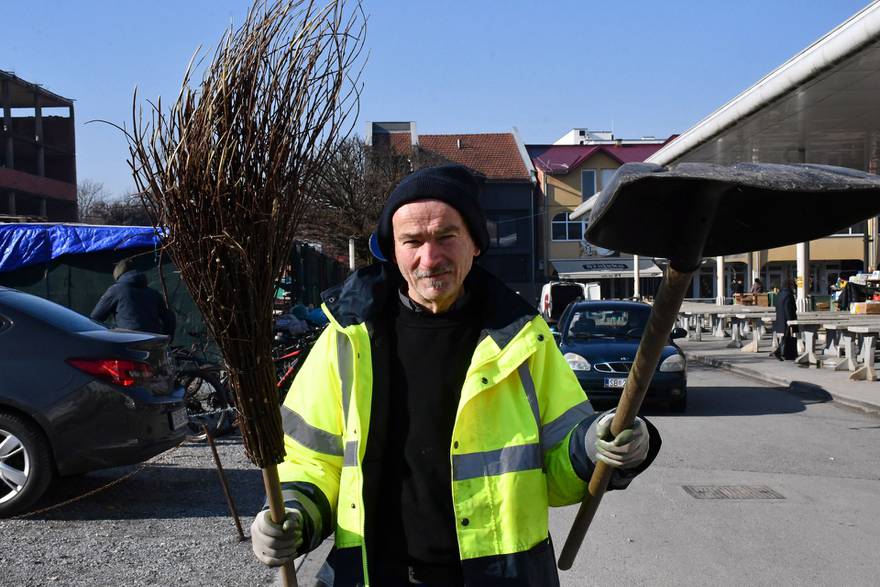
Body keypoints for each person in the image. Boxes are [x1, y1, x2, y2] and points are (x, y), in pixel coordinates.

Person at [249, 164, 661, 586]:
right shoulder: (346, 339)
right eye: (413, 241)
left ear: (475, 244)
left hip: (503, 576)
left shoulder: (522, 340)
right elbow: (309, 460)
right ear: (393, 251)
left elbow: (559, 466)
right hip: (373, 575)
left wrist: (597, 444)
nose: (430, 258)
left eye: (446, 237)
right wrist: (294, 513)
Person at [90, 258, 176, 338]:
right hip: (153, 341)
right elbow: (170, 319)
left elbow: (95, 318)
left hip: (128, 342)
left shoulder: (116, 290)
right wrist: (166, 341)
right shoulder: (154, 293)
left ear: (118, 275)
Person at [771, 279, 798, 360]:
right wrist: (790, 320)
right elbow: (788, 308)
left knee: (785, 337)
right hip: (786, 319)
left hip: (780, 318)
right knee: (786, 337)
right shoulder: (788, 294)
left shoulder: (780, 293)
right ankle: (780, 352)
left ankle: (781, 352)